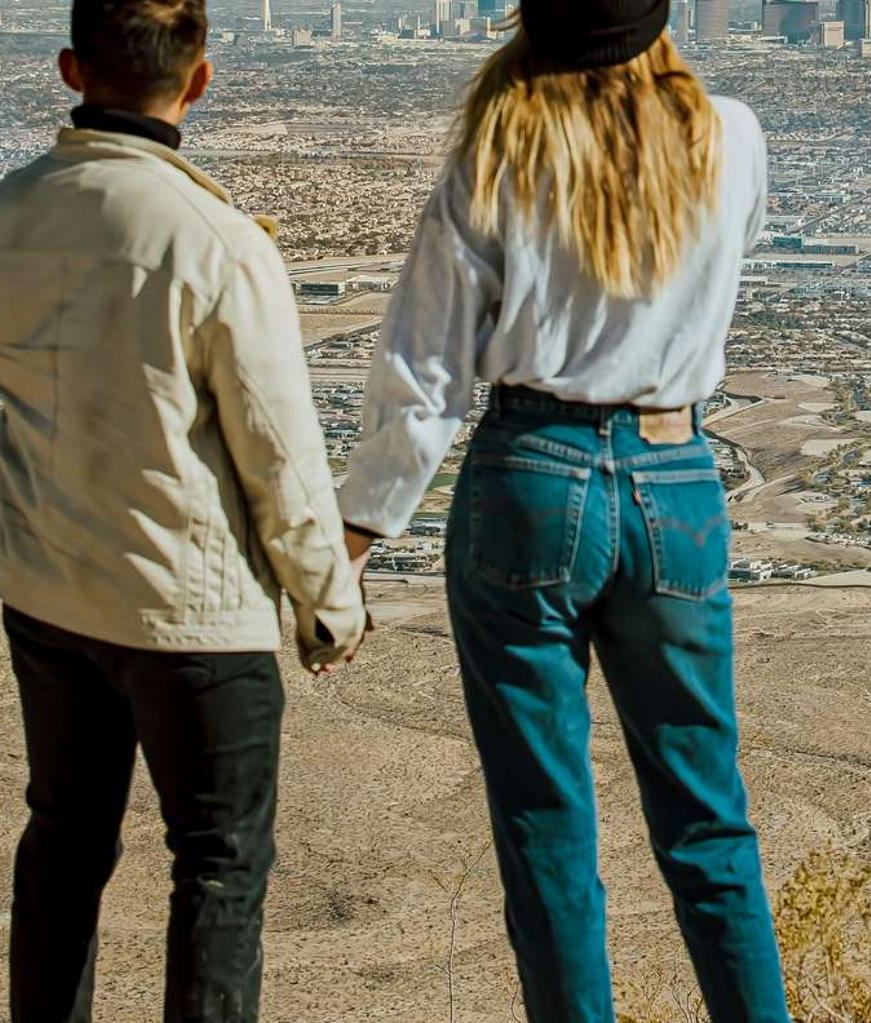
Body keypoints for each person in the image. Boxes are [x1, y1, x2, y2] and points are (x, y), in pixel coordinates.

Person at [335, 3, 786, 1021]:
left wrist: (354, 542)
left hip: (530, 478)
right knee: (708, 821)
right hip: (675, 479)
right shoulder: (733, 137)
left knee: (546, 827)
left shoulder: (498, 153)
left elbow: (425, 371)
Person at [0, 1, 367, 1019]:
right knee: (219, 866)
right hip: (190, 610)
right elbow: (278, 448)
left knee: (62, 841)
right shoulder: (216, 243)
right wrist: (327, 603)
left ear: (68, 69)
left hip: (48, 586)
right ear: (200, 80)